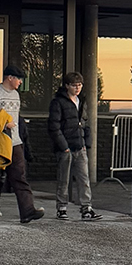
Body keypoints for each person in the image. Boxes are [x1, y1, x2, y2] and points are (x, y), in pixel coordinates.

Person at [0, 65, 43, 223]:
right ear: (10, 77)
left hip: (15, 142)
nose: (20, 82)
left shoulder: (16, 95)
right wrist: (3, 124)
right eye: (18, 78)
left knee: (20, 176)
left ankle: (27, 211)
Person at [48, 71, 101, 221]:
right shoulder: (58, 102)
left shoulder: (81, 101)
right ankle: (62, 208)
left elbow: (85, 123)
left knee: (84, 179)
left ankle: (86, 208)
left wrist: (86, 144)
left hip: (79, 146)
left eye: (79, 85)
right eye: (74, 85)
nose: (77, 88)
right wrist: (64, 146)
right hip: (65, 148)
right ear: (66, 86)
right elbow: (53, 127)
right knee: (64, 179)